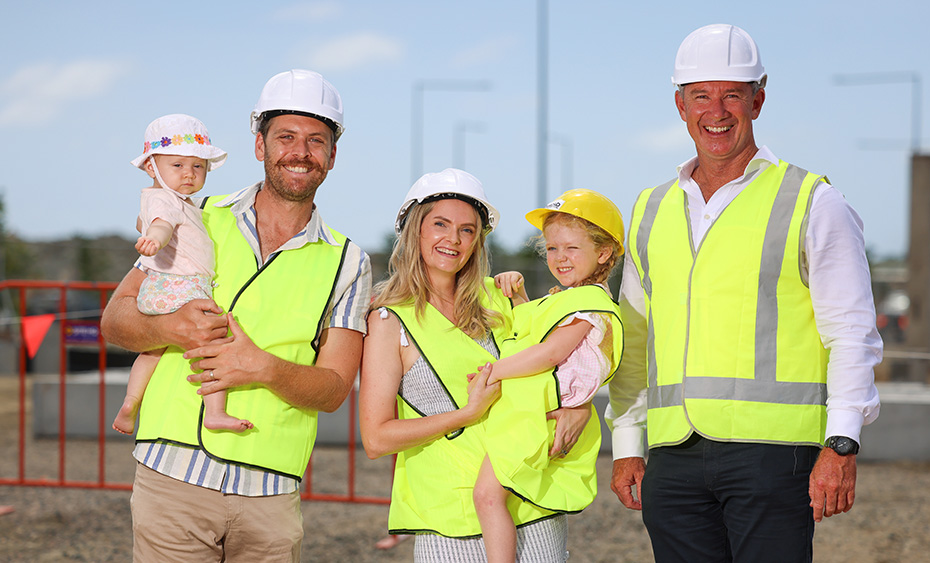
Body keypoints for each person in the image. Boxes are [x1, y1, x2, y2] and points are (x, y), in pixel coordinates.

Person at [605, 24, 882, 562]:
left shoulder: (811, 201)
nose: (717, 111)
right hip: (673, 457)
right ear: (680, 105)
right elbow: (634, 338)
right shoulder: (649, 209)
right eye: (701, 95)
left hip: (774, 457)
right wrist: (627, 444)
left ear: (758, 99)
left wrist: (842, 441)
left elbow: (851, 331)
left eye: (732, 94)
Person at [101, 69, 372, 562]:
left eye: (316, 140)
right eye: (285, 137)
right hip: (171, 478)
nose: (300, 151)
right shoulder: (193, 214)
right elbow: (115, 319)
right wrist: (167, 328)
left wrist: (262, 368)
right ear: (259, 145)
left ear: (332, 155)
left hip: (269, 494)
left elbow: (335, 389)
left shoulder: (349, 261)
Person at [359, 168, 591, 562]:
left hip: (531, 498)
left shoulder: (499, 298)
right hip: (450, 517)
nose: (453, 239)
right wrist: (467, 413)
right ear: (414, 230)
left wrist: (578, 408)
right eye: (440, 225)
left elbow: (556, 366)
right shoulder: (388, 322)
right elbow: (377, 439)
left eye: (468, 230)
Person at [472, 189, 625, 563]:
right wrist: (522, 297)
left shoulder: (589, 304)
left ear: (603, 252)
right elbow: (540, 334)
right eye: (552, 249)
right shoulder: (570, 298)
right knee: (495, 495)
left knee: (488, 495)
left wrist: (493, 372)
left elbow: (550, 353)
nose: (559, 258)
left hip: (539, 414)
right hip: (540, 409)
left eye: (572, 248)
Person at [112, 113, 251, 435]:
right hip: (183, 286)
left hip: (159, 288)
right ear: (152, 167)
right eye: (177, 166)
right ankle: (215, 412)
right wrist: (154, 240)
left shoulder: (159, 197)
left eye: (198, 167)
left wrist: (146, 229)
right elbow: (161, 224)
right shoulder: (169, 201)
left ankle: (132, 400)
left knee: (152, 351)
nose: (189, 174)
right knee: (215, 343)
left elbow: (146, 220)